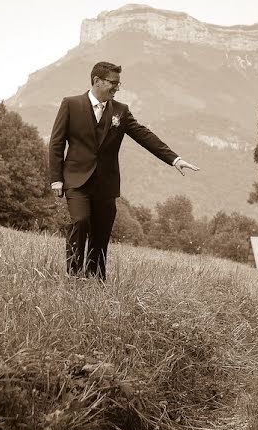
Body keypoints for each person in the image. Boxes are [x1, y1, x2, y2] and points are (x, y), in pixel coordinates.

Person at [48, 61, 199, 281]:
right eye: (113, 83)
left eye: (119, 84)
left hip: (106, 186)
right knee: (80, 221)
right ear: (97, 81)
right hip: (76, 181)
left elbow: (144, 136)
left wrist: (174, 159)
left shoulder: (121, 111)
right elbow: (56, 143)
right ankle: (73, 276)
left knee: (101, 236)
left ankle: (96, 281)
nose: (117, 88)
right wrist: (56, 179)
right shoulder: (70, 104)